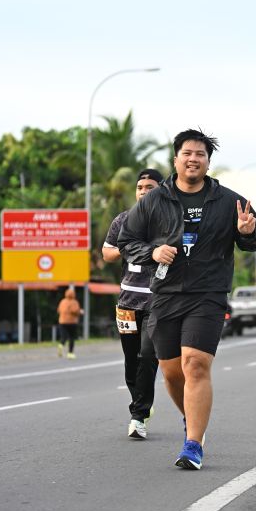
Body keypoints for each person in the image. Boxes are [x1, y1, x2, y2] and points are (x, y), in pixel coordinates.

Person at [118, 128, 256, 469]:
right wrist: (153, 252)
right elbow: (126, 241)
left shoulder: (229, 201)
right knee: (172, 373)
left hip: (208, 294)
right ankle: (192, 417)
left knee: (196, 364)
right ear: (176, 159)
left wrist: (247, 233)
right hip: (165, 294)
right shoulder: (155, 200)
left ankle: (193, 444)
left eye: (200, 154)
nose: (193, 159)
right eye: (187, 153)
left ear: (208, 162)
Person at [102, 169, 163, 439]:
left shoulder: (170, 221)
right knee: (131, 362)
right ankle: (141, 401)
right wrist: (126, 248)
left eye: (150, 187)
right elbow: (107, 253)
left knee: (147, 356)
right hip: (127, 302)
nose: (143, 191)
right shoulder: (123, 220)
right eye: (140, 187)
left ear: (161, 190)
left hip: (158, 301)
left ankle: (138, 415)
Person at [57, 287, 84, 359]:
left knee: (63, 337)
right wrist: (80, 312)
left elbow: (58, 310)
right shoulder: (74, 302)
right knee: (72, 337)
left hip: (62, 322)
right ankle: (70, 353)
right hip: (72, 322)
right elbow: (74, 311)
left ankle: (61, 345)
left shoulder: (62, 301)